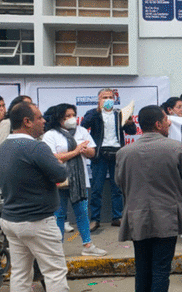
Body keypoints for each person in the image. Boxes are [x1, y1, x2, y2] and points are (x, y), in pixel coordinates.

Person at [115, 105, 182, 292]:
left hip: (137, 217)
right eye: (166, 120)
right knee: (160, 270)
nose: (169, 123)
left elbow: (119, 182)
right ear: (158, 124)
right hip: (167, 217)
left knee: (142, 269)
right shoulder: (175, 147)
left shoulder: (124, 153)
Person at [0, 102, 69, 291]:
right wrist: (58, 161)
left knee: (21, 274)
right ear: (27, 122)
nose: (44, 120)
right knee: (55, 272)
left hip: (11, 220)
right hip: (37, 221)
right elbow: (60, 174)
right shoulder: (36, 148)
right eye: (39, 117)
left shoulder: (4, 147)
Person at [42, 104, 107, 257]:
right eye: (67, 116)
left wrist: (85, 151)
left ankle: (88, 245)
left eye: (73, 115)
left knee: (82, 213)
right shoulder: (51, 135)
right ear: (59, 119)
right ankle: (58, 248)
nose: (71, 119)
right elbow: (53, 157)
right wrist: (75, 151)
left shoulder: (82, 131)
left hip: (79, 180)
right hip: (60, 181)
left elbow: (92, 152)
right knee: (59, 214)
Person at [81, 88, 136, 232]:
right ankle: (95, 219)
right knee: (97, 188)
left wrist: (130, 122)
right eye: (104, 97)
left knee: (117, 188)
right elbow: (83, 127)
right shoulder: (93, 113)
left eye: (110, 97)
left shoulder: (120, 113)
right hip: (100, 154)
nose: (108, 100)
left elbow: (132, 132)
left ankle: (117, 218)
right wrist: (96, 111)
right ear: (99, 99)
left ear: (115, 99)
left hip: (117, 153)